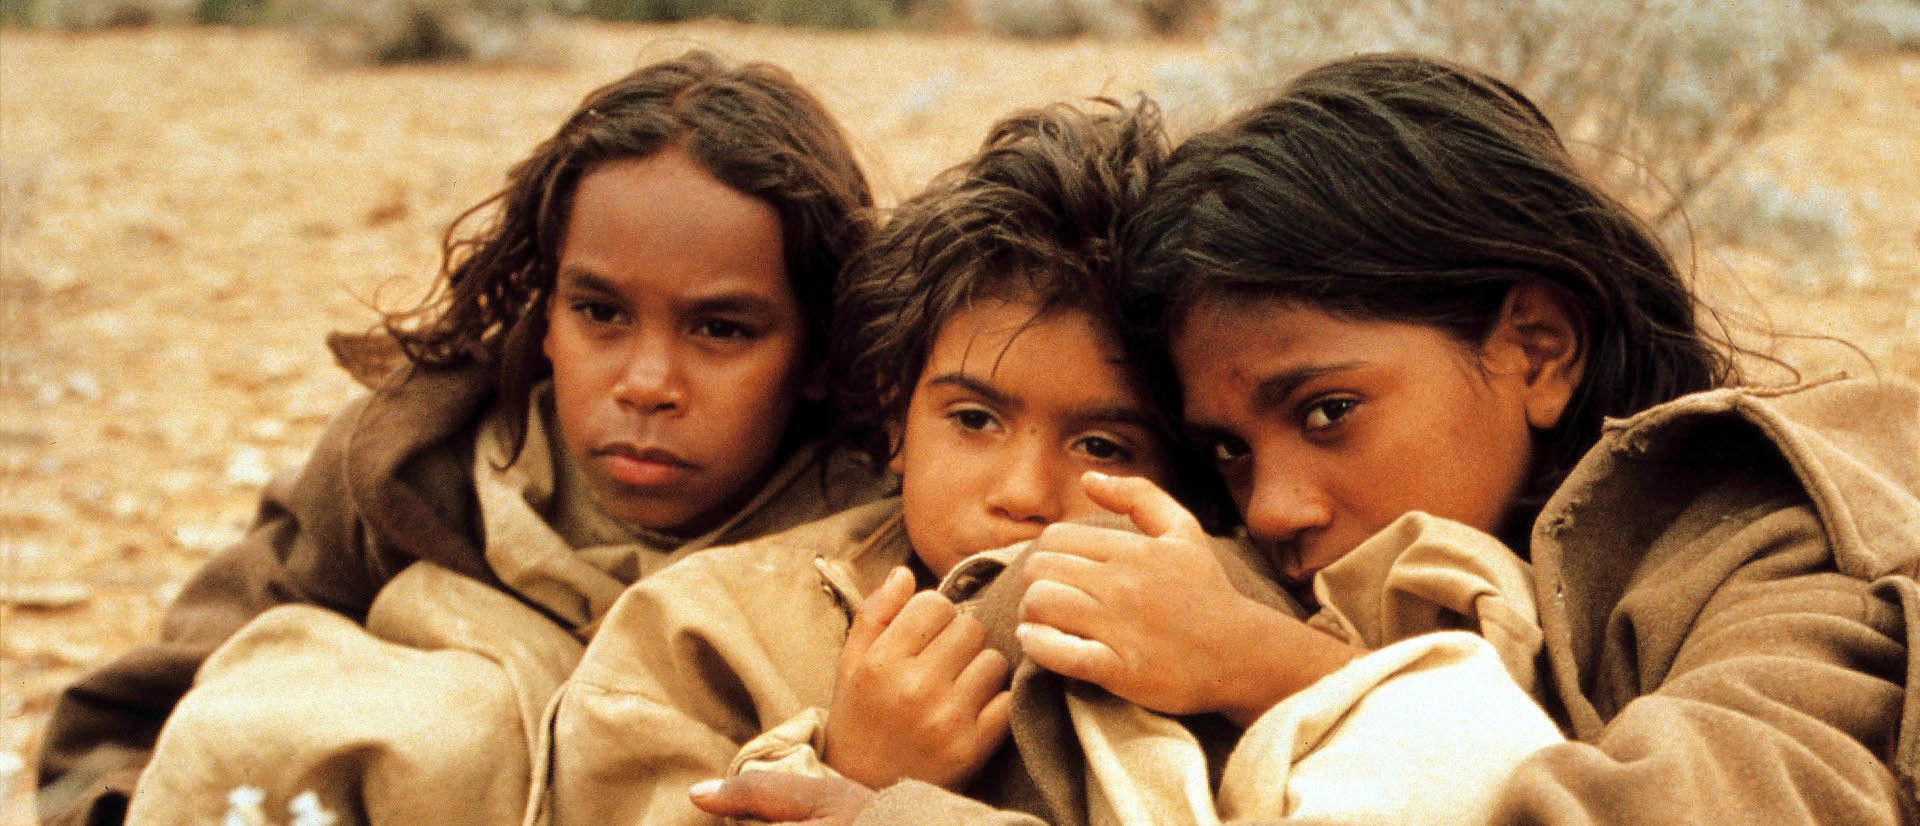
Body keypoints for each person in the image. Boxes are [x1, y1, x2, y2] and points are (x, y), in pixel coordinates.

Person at [690, 53, 1920, 825]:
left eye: (1327, 412)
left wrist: (1269, 667)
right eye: (1225, 449)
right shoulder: (1248, 576)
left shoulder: (1780, 546)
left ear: (1538, 349)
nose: (1271, 504)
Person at [37, 49, 892, 826]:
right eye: (600, 314)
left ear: (818, 353)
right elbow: (156, 712)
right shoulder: (415, 466)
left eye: (720, 330)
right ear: (547, 316)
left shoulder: (866, 545)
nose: (646, 384)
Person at [535, 97, 1230, 826]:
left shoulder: (1217, 625)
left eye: (1103, 447)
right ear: (898, 419)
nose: (1023, 494)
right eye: (973, 420)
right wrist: (855, 769)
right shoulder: (701, 632)